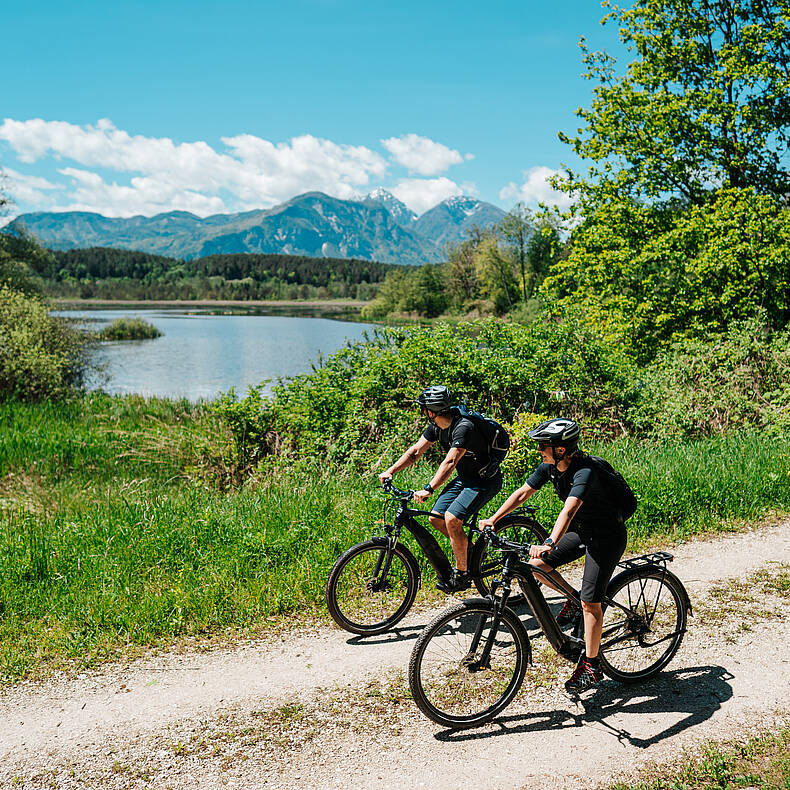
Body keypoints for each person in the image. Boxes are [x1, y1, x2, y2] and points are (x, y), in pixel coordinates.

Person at [479, 418, 628, 693]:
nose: (539, 451)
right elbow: (523, 492)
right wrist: (494, 518)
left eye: (543, 447)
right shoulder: (550, 467)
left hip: (607, 536)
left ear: (561, 449)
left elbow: (568, 511)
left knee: (590, 603)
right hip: (583, 531)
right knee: (536, 565)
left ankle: (592, 666)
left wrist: (549, 541)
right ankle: (573, 599)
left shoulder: (584, 471)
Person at [378, 385, 503, 593]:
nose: (423, 411)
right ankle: (471, 553)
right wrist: (390, 471)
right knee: (436, 517)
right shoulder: (437, 426)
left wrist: (429, 488)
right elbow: (416, 451)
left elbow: (450, 461)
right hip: (465, 479)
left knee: (453, 519)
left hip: (484, 480)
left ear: (431, 410)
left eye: (424, 408)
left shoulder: (464, 426)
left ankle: (462, 575)